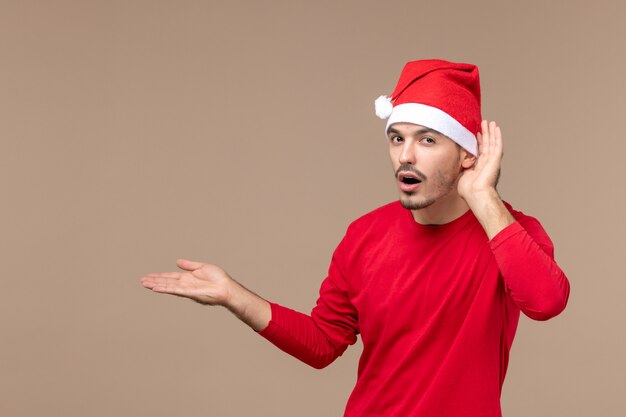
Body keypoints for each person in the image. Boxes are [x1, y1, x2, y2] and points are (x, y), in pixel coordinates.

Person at [140, 59, 570, 417]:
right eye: (397, 138)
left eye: (427, 140)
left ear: (467, 153)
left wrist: (483, 197)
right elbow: (323, 343)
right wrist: (234, 295)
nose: (405, 154)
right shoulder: (364, 236)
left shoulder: (511, 233)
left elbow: (547, 302)